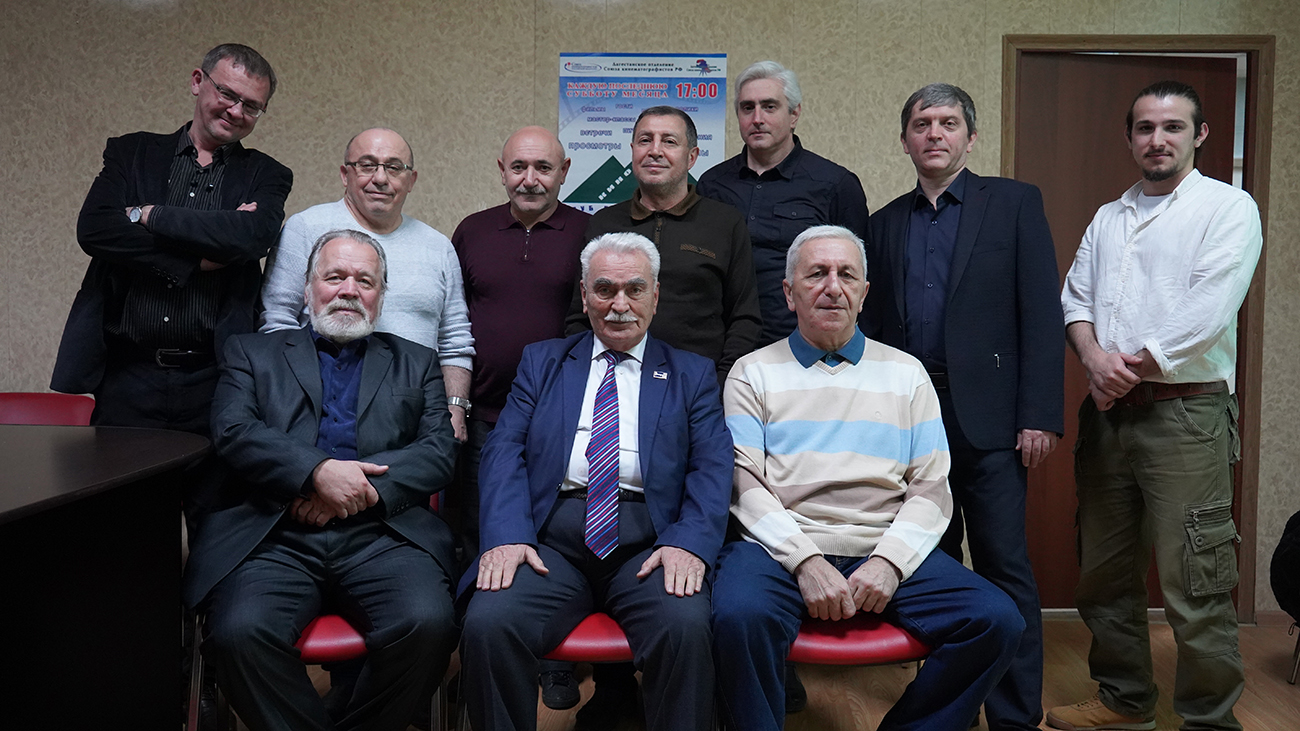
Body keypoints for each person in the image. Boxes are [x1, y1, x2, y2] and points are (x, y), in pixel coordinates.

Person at [712, 225, 1024, 730]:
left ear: (864, 292)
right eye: (816, 274)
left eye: (847, 275)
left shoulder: (907, 373)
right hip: (780, 549)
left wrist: (889, 563)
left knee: (997, 620)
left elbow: (931, 487)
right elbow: (743, 483)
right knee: (735, 615)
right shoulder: (752, 372)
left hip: (883, 541)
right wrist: (805, 560)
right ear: (789, 293)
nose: (832, 287)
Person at [1049, 80, 1262, 731]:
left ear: (1199, 135)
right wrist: (1094, 360)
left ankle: (1209, 718)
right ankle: (1124, 699)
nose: (1158, 139)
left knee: (1196, 579)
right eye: (1145, 127)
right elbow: (1075, 298)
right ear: (1130, 137)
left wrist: (1126, 368)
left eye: (1173, 127)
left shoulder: (1228, 208)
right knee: (1104, 573)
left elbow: (1207, 310)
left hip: (1186, 417)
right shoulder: (1109, 217)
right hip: (1108, 418)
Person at [184, 230, 459, 731]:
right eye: (335, 277)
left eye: (365, 281)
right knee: (239, 633)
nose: (349, 290)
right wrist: (316, 473)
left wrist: (356, 492)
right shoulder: (252, 353)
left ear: (381, 295)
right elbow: (233, 430)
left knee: (429, 624)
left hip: (383, 535)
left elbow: (439, 452)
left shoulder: (416, 361)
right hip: (275, 535)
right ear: (309, 288)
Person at [460, 232, 733, 731]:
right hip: (550, 544)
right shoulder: (542, 362)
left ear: (655, 296)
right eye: (605, 289)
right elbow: (503, 450)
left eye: (634, 289)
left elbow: (712, 466)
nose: (619, 305)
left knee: (685, 627)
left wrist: (688, 543)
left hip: (650, 547)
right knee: (489, 623)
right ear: (584, 296)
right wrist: (508, 536)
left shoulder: (691, 374)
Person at [862, 83, 1064, 730]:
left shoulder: (1014, 204)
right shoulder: (883, 223)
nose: (935, 133)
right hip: (912, 422)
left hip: (993, 421)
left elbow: (1041, 313)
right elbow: (874, 328)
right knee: (931, 565)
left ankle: (1014, 715)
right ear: (905, 140)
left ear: (970, 138)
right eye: (922, 123)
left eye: (948, 123)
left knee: (1004, 564)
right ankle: (946, 709)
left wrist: (1039, 414)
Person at [51, 43, 292, 519]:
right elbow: (96, 230)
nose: (236, 111)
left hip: (216, 380)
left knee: (217, 524)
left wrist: (147, 214)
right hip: (128, 376)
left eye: (252, 106)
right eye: (228, 94)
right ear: (198, 82)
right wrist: (196, 261)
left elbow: (251, 238)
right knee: (122, 523)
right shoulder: (133, 152)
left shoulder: (266, 174)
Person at [260, 127, 474, 442]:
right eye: (367, 165)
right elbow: (278, 321)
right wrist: (291, 403)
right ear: (345, 174)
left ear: (411, 180)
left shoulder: (439, 247)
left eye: (394, 167)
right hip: (320, 414)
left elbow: (455, 340)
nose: (380, 178)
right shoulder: (304, 228)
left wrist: (454, 408)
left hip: (416, 418)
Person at [451, 125, 589, 568]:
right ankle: (476, 606)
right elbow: (451, 322)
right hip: (484, 416)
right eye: (519, 167)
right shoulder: (472, 231)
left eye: (543, 168)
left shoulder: (591, 233)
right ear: (502, 171)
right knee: (478, 527)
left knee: (550, 529)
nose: (530, 180)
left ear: (564, 171)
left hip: (563, 417)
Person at [569, 106, 762, 386]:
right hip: (613, 385)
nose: (655, 151)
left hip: (698, 386)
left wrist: (720, 385)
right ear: (633, 151)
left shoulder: (725, 223)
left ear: (692, 156)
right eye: (645, 140)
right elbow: (579, 315)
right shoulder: (603, 224)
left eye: (669, 141)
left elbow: (744, 319)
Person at [698, 60, 870, 348]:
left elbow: (858, 274)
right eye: (747, 108)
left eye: (769, 106)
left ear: (794, 114)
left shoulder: (834, 184)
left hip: (805, 346)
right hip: (725, 344)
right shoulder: (712, 184)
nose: (757, 118)